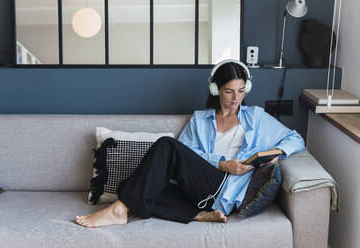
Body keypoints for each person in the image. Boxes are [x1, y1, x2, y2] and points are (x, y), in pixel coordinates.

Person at [75, 59, 305, 228]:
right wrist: (222, 163)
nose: (236, 98)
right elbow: (185, 156)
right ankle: (197, 214)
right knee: (132, 185)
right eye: (229, 91)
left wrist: (276, 152)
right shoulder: (199, 119)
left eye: (242, 91)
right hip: (203, 184)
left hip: (225, 188)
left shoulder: (255, 116)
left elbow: (296, 139)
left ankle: (118, 210)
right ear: (215, 90)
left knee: (166, 145)